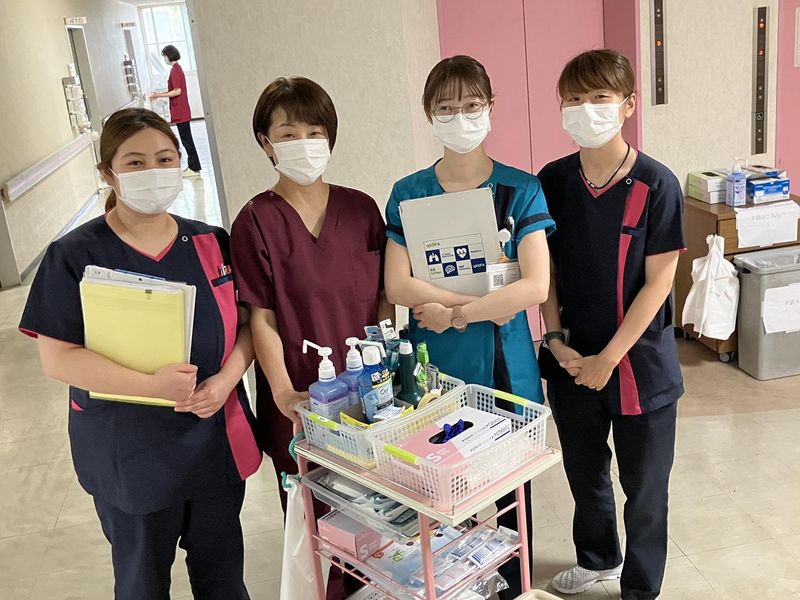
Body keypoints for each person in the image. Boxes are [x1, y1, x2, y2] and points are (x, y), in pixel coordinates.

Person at [18, 108, 261, 600]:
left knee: (223, 579)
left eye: (165, 158)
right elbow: (58, 358)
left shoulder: (211, 242)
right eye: (135, 162)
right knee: (142, 584)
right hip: (129, 453)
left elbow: (248, 326)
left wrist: (225, 380)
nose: (153, 171)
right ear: (108, 173)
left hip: (212, 441)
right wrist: (152, 386)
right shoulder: (75, 255)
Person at [383, 55, 554, 599]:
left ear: (491, 107)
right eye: (446, 108)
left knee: (510, 496)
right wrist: (479, 304)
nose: (460, 117)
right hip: (436, 366)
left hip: (505, 364)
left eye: (472, 105)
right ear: (428, 114)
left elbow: (536, 286)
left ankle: (513, 587)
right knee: (440, 490)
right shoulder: (408, 193)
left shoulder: (521, 189)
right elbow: (398, 285)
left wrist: (453, 314)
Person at [230, 76, 391, 599]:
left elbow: (384, 297)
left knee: (379, 512)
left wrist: (385, 366)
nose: (303, 143)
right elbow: (261, 317)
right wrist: (282, 393)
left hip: (369, 391)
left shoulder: (362, 209)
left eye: (315, 131)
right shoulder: (255, 221)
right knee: (315, 518)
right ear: (266, 142)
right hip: (301, 393)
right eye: (288, 133)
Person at [537, 49, 685, 600]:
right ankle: (598, 559)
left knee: (645, 489)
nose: (586, 109)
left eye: (599, 97)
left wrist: (610, 358)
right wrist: (555, 338)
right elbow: (544, 270)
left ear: (628, 105)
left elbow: (659, 282)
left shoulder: (656, 184)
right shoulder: (552, 181)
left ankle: (640, 588)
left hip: (639, 365)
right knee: (585, 471)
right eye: (573, 99)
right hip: (572, 358)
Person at [148, 44, 201, 177]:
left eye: (164, 56)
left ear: (169, 56)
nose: (164, 59)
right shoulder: (177, 69)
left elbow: (177, 91)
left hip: (181, 111)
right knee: (186, 139)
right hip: (180, 110)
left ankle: (194, 167)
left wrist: (159, 95)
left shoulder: (175, 71)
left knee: (187, 140)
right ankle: (193, 166)